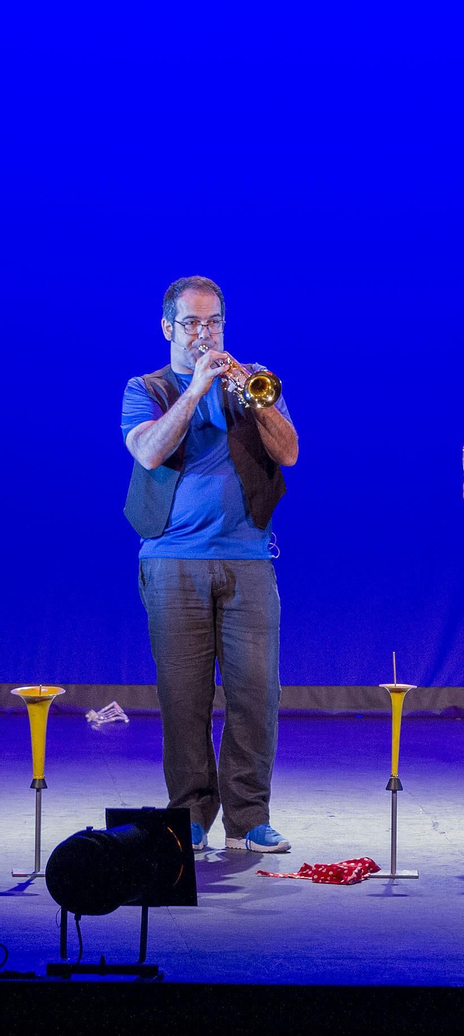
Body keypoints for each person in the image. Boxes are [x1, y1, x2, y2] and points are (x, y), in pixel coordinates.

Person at [122, 276, 299, 853]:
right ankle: (190, 816)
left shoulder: (250, 384)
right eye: (193, 324)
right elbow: (148, 452)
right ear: (168, 328)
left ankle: (249, 819)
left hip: (248, 559)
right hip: (173, 562)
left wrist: (249, 394)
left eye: (214, 322)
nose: (205, 334)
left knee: (256, 695)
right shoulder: (144, 387)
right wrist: (194, 391)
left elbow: (290, 452)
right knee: (184, 695)